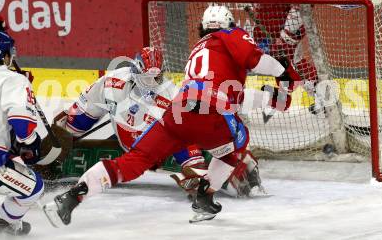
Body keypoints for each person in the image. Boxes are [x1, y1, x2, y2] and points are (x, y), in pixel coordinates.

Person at [43, 4, 300, 226]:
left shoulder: (197, 51)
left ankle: (73, 196)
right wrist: (283, 74)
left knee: (133, 161)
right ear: (227, 25)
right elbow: (254, 61)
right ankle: (205, 195)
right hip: (210, 110)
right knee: (236, 144)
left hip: (178, 111)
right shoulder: (229, 35)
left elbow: (227, 93)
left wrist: (273, 97)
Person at [51, 46, 265, 197]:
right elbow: (81, 117)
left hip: (160, 150)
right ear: (135, 71)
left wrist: (194, 166)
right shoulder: (111, 82)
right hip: (132, 147)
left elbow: (185, 136)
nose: (152, 83)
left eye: (157, 77)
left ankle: (233, 164)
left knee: (206, 150)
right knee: (56, 142)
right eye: (147, 77)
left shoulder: (171, 94)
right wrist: (61, 137)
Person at [221, 0, 318, 106]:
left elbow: (303, 2)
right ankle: (234, 99)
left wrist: (285, 36)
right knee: (249, 59)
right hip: (265, 24)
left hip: (284, 27)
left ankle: (325, 102)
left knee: (292, 64)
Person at [0, 30, 44, 236]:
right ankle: (3, 225)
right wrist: (32, 145)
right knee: (35, 188)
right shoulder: (13, 80)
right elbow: (22, 126)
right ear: (5, 56)